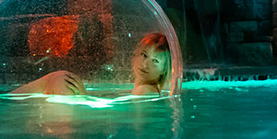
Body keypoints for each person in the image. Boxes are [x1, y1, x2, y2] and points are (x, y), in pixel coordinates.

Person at [11, 32, 171, 96]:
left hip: (88, 122)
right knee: (58, 78)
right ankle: (7, 103)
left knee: (61, 79)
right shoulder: (143, 90)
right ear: (135, 55)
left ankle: (6, 104)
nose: (145, 63)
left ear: (164, 70)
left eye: (155, 61)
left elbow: (123, 119)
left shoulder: (145, 91)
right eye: (144, 55)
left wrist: (84, 98)